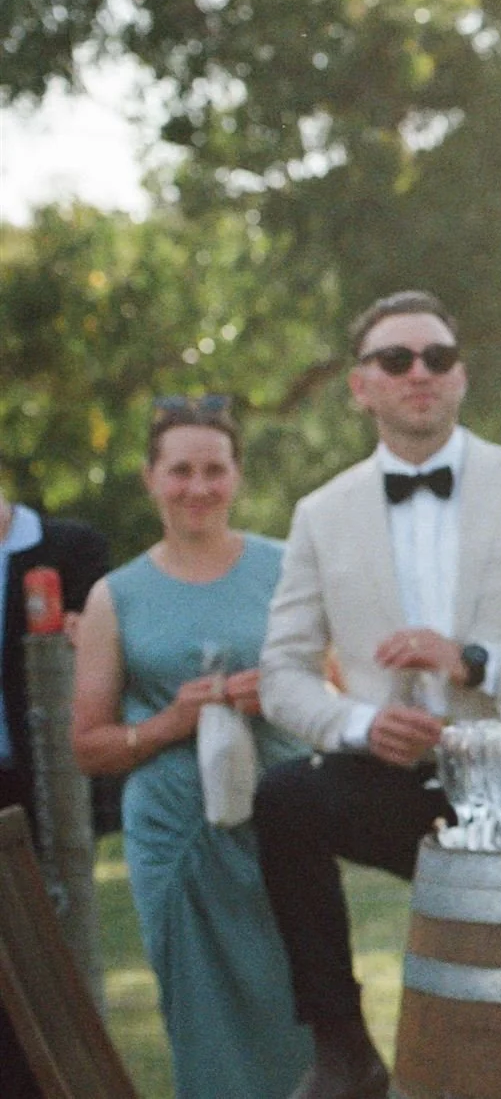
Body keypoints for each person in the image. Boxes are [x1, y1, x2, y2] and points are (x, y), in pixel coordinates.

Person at [255, 290, 501, 1099]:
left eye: (438, 357)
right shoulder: (320, 514)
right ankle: (343, 1049)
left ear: (462, 377)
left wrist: (476, 662)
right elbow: (283, 672)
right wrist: (361, 724)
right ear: (361, 386)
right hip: (390, 780)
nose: (419, 372)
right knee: (286, 799)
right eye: (396, 360)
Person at [70, 397, 312, 1099]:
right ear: (150, 477)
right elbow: (87, 746)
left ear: (237, 475)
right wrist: (170, 722)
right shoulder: (116, 596)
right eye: (180, 470)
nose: (198, 487)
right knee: (202, 1022)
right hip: (175, 835)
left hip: (283, 821)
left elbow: (337, 688)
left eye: (215, 469)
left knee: (301, 1005)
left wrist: (278, 693)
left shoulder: (286, 566)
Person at [0, 480, 109, 1097]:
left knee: (48, 955)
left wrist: (86, 631)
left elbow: (108, 640)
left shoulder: (70, 548)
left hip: (41, 783)